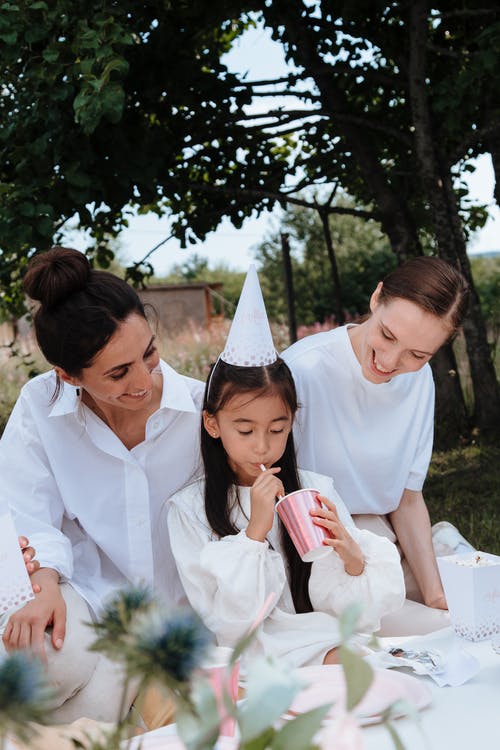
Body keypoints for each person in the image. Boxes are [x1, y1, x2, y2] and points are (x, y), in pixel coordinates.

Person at [0, 247, 204, 722]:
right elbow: (25, 509)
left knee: (85, 720)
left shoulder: (203, 410)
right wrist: (44, 582)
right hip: (92, 598)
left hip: (187, 615)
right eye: (118, 373)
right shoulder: (39, 406)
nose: (145, 380)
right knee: (34, 655)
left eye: (149, 353)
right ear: (69, 376)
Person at [167, 267, 405, 668]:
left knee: (357, 668)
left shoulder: (316, 489)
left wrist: (350, 555)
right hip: (248, 653)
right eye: (245, 430)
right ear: (212, 424)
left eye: (277, 429)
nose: (263, 445)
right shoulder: (189, 510)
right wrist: (255, 532)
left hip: (320, 638)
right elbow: (229, 623)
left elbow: (344, 612)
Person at [281, 256, 471, 634]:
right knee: (440, 631)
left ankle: (444, 549)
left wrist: (435, 593)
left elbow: (407, 498)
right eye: (387, 335)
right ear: (376, 297)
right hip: (317, 552)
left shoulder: (420, 382)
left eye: (418, 355)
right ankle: (446, 547)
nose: (389, 360)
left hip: (383, 541)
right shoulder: (302, 371)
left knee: (473, 608)